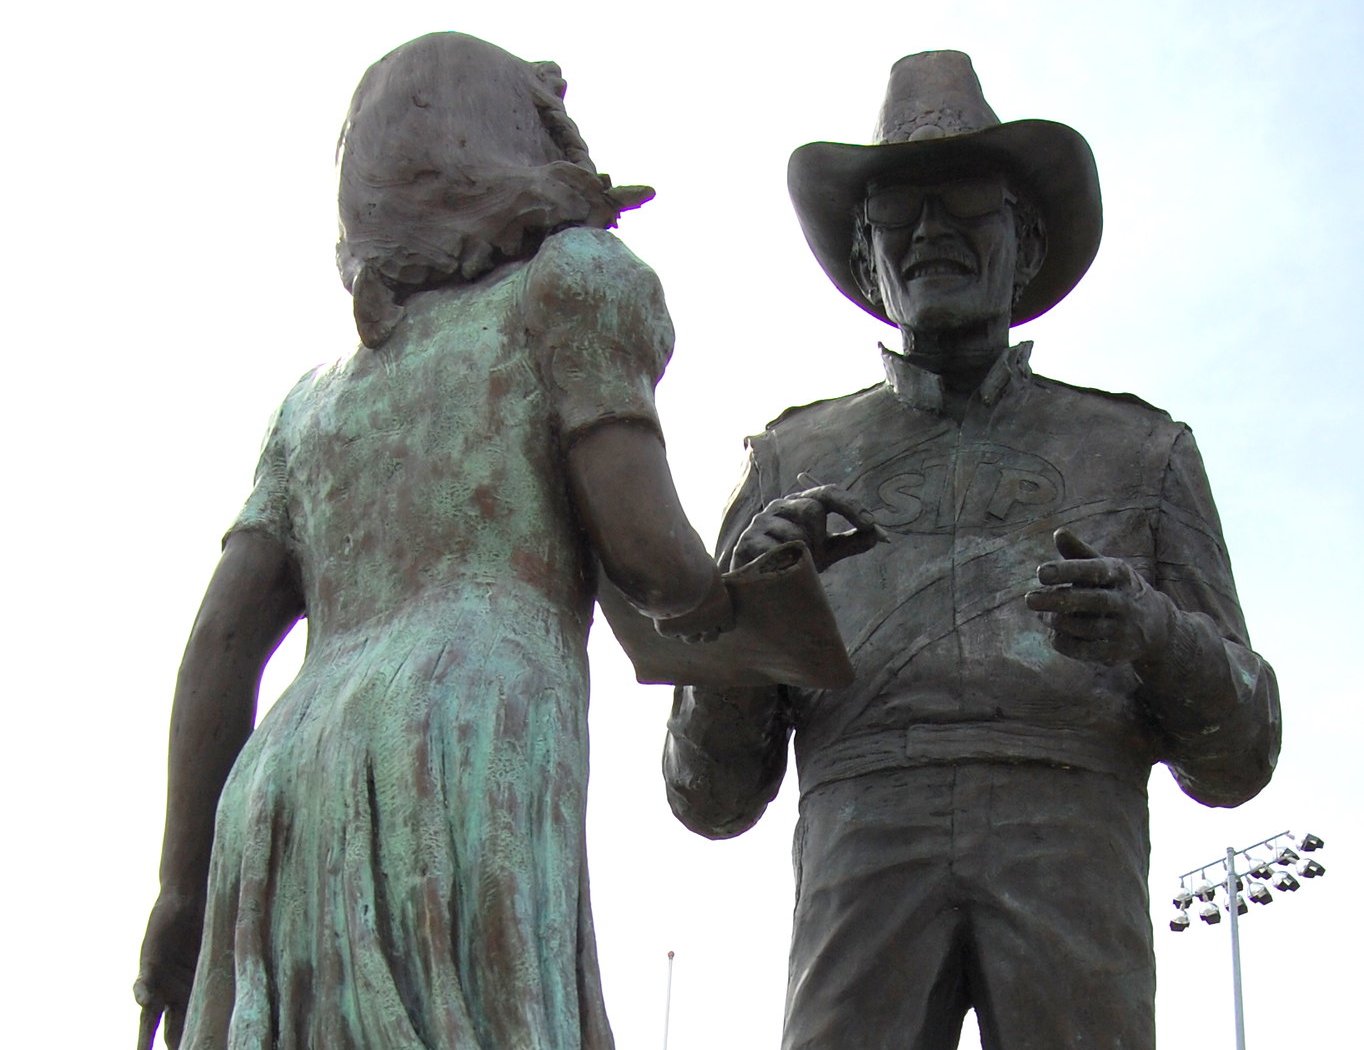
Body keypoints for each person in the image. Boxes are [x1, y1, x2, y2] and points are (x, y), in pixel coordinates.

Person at [663, 51, 1280, 1050]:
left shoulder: (1139, 451)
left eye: (962, 207)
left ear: (1023, 243)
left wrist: (1153, 635)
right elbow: (710, 797)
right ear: (866, 264)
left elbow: (1241, 755)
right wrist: (746, 632)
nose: (929, 237)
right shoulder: (788, 459)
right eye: (896, 222)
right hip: (861, 836)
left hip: (1070, 830)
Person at [134, 33, 731, 1050]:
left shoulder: (312, 404)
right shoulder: (572, 286)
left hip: (280, 781)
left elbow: (218, 648)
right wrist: (754, 600)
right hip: (472, 734)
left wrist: (178, 891)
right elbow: (647, 556)